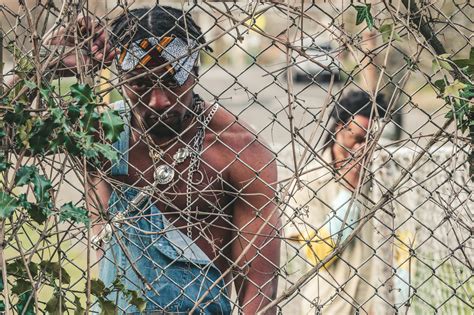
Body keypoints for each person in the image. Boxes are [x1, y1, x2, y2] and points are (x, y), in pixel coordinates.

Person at [47, 5, 280, 314]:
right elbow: (9, 133)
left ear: (195, 71)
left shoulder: (239, 150)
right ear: (119, 77)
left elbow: (259, 288)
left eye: (172, 81)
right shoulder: (102, 134)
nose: (158, 101)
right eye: (141, 83)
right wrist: (46, 66)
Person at [285, 91, 387, 314]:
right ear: (339, 128)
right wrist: (349, 190)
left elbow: (403, 245)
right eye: (358, 139)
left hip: (377, 305)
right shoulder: (307, 180)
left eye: (371, 141)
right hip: (330, 306)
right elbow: (319, 253)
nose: (363, 149)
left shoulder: (383, 177)